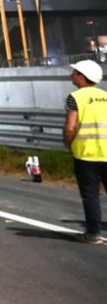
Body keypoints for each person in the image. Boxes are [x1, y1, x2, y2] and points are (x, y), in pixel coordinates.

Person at [64, 59, 107, 243]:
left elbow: (71, 127)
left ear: (82, 77)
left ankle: (93, 234)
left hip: (86, 154)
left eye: (74, 73)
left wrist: (68, 143)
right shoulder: (106, 96)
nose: (72, 76)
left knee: (90, 195)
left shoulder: (75, 97)